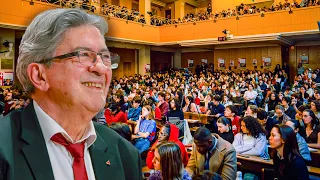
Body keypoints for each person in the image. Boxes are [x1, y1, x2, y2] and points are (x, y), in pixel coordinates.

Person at [0, 8, 142, 180]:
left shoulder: (124, 152)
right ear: (39, 75)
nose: (102, 68)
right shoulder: (4, 148)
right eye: (83, 55)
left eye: (104, 56)